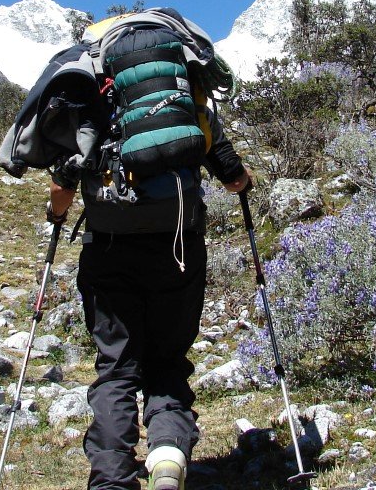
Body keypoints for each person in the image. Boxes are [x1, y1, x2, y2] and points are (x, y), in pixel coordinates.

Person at [46, 107, 252, 490]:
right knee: (167, 359)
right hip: (178, 249)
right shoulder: (182, 96)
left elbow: (63, 189)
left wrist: (55, 213)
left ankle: (111, 479)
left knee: (116, 366)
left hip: (108, 250)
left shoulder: (89, 98)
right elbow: (232, 177)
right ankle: (168, 458)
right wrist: (241, 179)